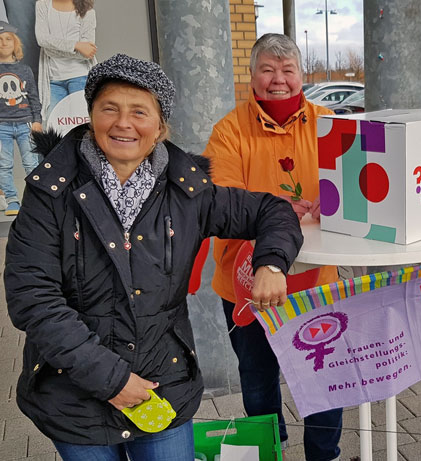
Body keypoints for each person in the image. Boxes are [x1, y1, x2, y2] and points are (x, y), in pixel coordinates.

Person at [5, 53, 303, 461]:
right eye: (109, 108)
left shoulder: (188, 192)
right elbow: (32, 300)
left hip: (163, 385)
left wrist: (271, 264)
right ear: (90, 116)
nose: (123, 123)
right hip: (75, 394)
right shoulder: (50, 192)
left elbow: (274, 211)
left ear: (160, 126)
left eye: (139, 111)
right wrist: (112, 381)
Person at [204, 33, 343, 461]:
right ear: (252, 76)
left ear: (302, 75)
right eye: (267, 70)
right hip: (247, 281)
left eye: (287, 70)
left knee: (324, 378)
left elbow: (355, 187)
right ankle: (269, 452)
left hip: (317, 278)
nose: (277, 80)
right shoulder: (229, 131)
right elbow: (220, 200)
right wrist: (277, 207)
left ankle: (324, 454)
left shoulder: (328, 122)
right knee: (259, 379)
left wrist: (334, 201)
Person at [0, 21, 43, 216]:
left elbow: (33, 96)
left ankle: (36, 200)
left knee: (31, 163)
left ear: (15, 43)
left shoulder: (25, 71)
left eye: (8, 39)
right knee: (4, 164)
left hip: (26, 123)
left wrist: (37, 120)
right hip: (2, 126)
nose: (3, 43)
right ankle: (12, 201)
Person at [35, 0, 97, 118]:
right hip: (53, 80)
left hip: (80, 77)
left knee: (81, 127)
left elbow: (87, 52)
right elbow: (42, 40)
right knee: (54, 127)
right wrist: (76, 46)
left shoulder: (88, 11)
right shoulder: (42, 5)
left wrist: (51, 47)